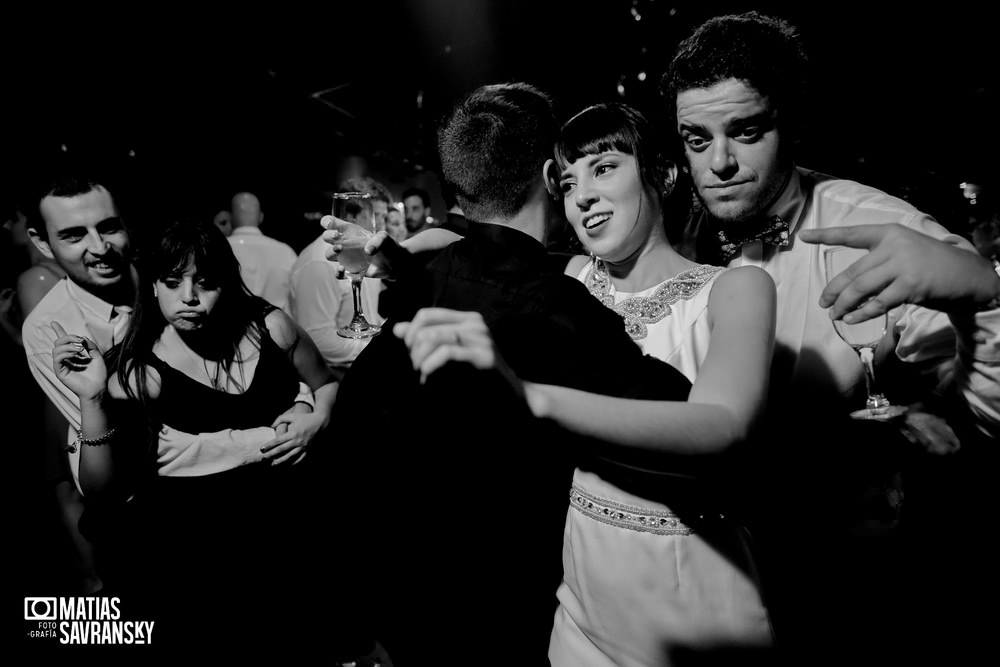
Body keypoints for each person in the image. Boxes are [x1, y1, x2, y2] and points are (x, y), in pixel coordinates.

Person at [662, 10, 1000, 659]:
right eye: (696, 139)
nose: (720, 163)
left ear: (793, 125)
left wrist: (982, 297)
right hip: (726, 584)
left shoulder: (875, 227)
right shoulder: (689, 238)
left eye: (746, 131)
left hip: (853, 588)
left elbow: (987, 413)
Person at [326, 83, 693, 665]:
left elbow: (342, 461)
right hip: (512, 622)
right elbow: (683, 424)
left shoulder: (422, 284)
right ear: (552, 177)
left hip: (402, 618)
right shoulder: (555, 306)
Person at [51, 218, 338, 652]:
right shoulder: (141, 373)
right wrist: (91, 400)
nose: (189, 298)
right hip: (202, 560)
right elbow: (103, 491)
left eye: (204, 283)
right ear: (152, 285)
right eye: (171, 282)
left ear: (224, 283)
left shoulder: (270, 327)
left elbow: (327, 383)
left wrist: (315, 418)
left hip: (289, 541)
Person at [289, 176, 391, 377]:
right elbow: (317, 337)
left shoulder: (366, 253)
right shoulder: (317, 262)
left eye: (383, 217)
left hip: (366, 372)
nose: (382, 225)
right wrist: (377, 352)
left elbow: (370, 317)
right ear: (349, 217)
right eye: (376, 215)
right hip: (335, 378)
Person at [227, 191, 297, 313]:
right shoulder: (285, 252)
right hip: (276, 328)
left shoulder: (219, 249)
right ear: (261, 217)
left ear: (230, 217)